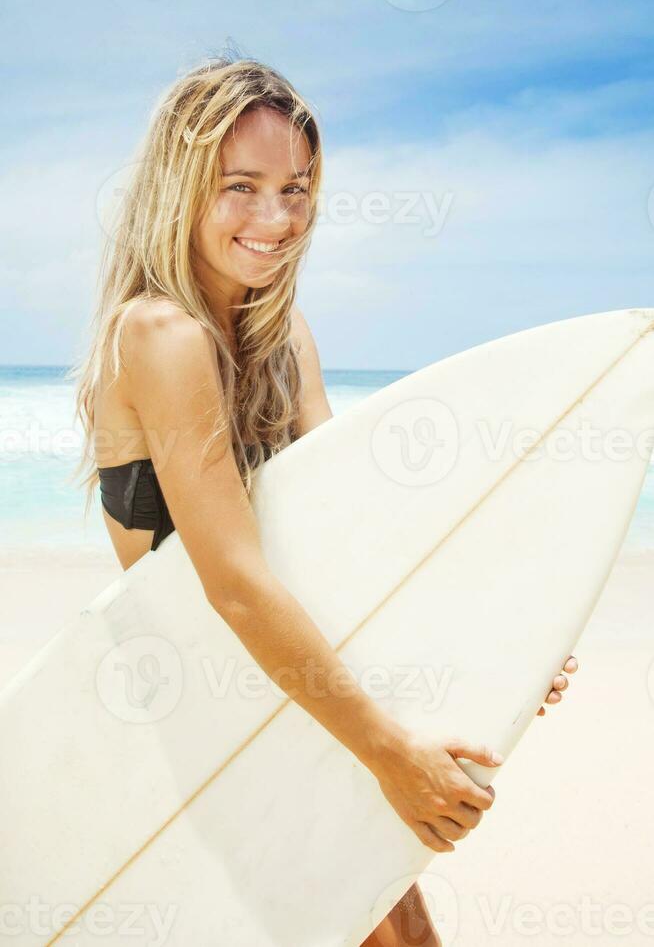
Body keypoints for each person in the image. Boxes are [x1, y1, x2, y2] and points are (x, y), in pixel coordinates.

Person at [69, 53, 577, 946]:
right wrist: (388, 754)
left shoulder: (280, 334)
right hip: (207, 726)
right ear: (180, 187)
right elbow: (231, 582)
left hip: (293, 700)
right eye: (242, 186)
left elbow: (356, 538)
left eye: (297, 189)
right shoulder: (159, 333)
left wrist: (494, 643)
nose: (277, 218)